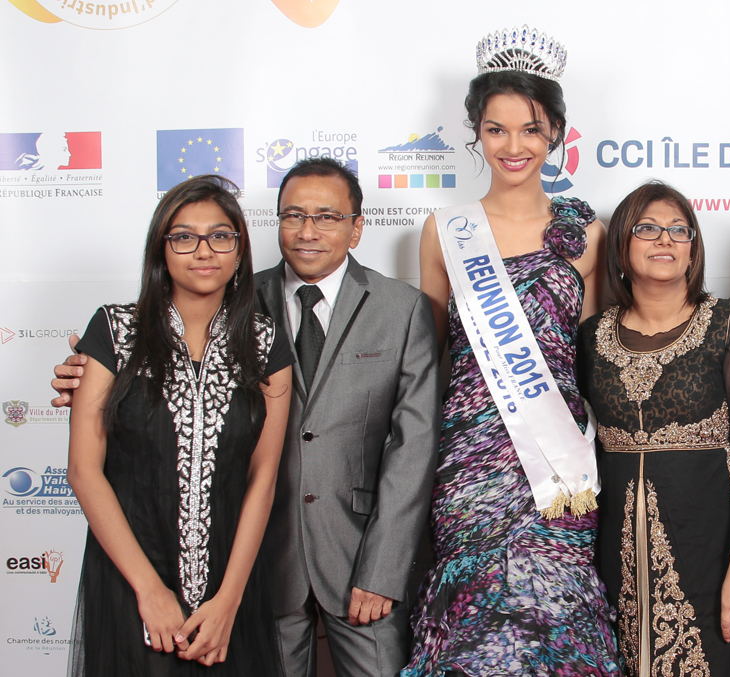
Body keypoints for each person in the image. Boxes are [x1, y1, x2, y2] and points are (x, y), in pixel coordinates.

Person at [53, 157, 442, 677]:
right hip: (257, 563)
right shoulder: (236, 295)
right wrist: (88, 378)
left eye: (327, 217)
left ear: (356, 228)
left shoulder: (401, 308)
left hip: (353, 556)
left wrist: (384, 567)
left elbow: (414, 443)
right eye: (293, 216)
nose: (307, 231)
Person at [403, 26, 618, 676]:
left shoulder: (589, 234)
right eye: (496, 129)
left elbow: (596, 360)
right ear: (477, 133)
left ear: (555, 133)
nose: (514, 146)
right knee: (476, 630)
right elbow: (431, 362)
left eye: (530, 129)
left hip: (559, 467)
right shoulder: (445, 231)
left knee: (555, 624)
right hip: (471, 466)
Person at [66, 175, 294, 675]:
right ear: (161, 249)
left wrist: (229, 600)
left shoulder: (265, 343)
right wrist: (149, 590)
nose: (204, 250)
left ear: (239, 249)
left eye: (221, 236)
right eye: (184, 237)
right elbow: (84, 470)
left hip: (229, 585)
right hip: (131, 580)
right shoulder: (115, 331)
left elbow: (263, 477)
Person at [577, 181, 730, 677]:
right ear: (621, 245)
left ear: (692, 249)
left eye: (678, 230)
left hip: (711, 554)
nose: (665, 239)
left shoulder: (725, 324)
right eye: (647, 229)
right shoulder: (592, 338)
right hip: (614, 560)